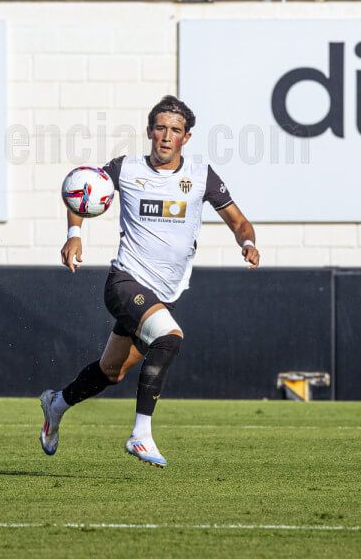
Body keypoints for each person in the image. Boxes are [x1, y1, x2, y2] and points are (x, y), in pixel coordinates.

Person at [39, 95, 259, 468]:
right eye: (160, 128)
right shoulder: (126, 168)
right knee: (169, 338)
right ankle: (141, 434)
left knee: (112, 371)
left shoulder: (202, 175)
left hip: (164, 293)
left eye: (175, 130)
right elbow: (81, 189)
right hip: (125, 281)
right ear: (149, 132)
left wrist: (249, 243)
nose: (166, 136)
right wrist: (74, 233)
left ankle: (55, 405)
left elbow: (239, 222)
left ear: (186, 138)